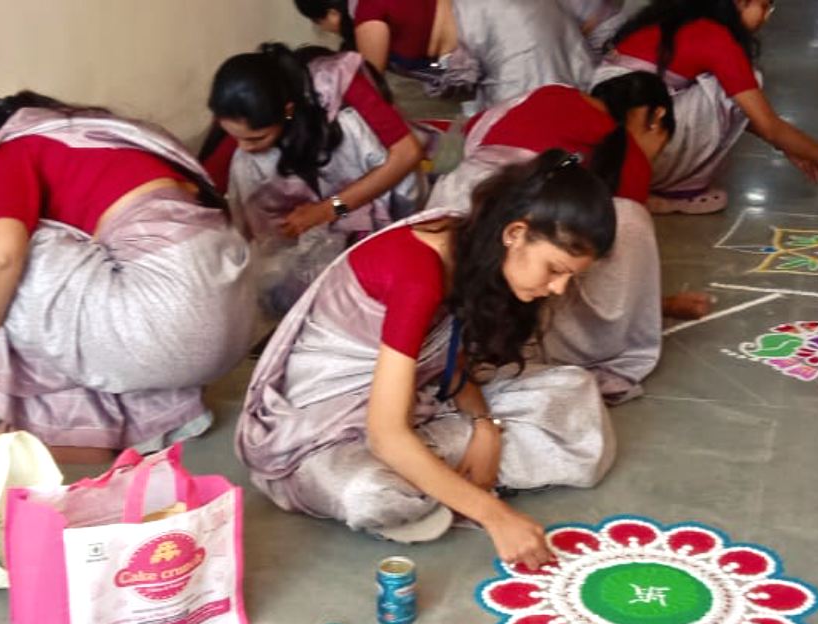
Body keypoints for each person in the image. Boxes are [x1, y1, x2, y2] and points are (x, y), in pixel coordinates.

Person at [237, 150, 617, 568]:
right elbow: (385, 435)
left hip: (413, 399)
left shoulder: (470, 245)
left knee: (574, 391)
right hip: (325, 427)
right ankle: (442, 473)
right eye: (555, 270)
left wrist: (485, 426)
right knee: (371, 494)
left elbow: (447, 358)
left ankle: (438, 474)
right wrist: (495, 516)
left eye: (570, 276)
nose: (559, 289)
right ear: (515, 233)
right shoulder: (419, 273)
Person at [0, 91, 254, 463]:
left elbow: (2, 257)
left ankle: (66, 430)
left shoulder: (8, 153)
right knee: (72, 256)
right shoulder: (87, 134)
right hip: (233, 319)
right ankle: (153, 417)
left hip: (169, 325)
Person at [428, 73, 706, 401]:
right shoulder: (623, 152)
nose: (655, 160)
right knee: (630, 223)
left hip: (450, 199)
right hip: (490, 234)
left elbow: (464, 135)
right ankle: (575, 341)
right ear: (655, 119)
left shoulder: (543, 94)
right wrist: (649, 307)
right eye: (662, 147)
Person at [200, 43, 424, 317]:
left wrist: (327, 210)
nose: (244, 146)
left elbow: (407, 154)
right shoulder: (243, 120)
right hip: (320, 216)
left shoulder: (336, 83)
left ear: (288, 110)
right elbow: (205, 192)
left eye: (256, 138)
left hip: (372, 194)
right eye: (235, 136)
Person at [596, 0, 818, 213]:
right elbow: (767, 124)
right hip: (637, 139)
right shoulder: (715, 37)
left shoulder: (676, 20)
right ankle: (674, 187)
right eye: (764, 6)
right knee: (747, 81)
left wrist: (787, 146)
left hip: (611, 145)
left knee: (735, 89)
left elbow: (746, 115)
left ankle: (653, 181)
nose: (766, 17)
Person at [294, 0, 595, 109]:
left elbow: (369, 93)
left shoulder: (368, 14)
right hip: (492, 33)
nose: (325, 29)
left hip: (504, 27)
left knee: (538, 121)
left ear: (331, 13)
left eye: (319, 23)